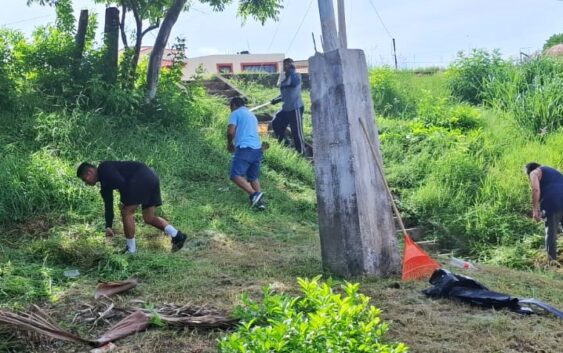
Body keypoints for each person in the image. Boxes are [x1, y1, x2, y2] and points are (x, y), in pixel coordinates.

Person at [77, 161, 187, 253]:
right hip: (151, 177)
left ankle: (131, 251)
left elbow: (122, 183)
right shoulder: (105, 184)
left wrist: (124, 202)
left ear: (90, 172)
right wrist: (108, 226)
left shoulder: (104, 168)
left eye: (84, 179)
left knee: (126, 212)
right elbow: (108, 205)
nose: (86, 183)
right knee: (149, 218)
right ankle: (177, 235)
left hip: (142, 178)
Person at [227, 97, 266, 210]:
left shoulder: (236, 112)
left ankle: (254, 195)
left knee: (235, 175)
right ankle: (260, 203)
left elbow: (230, 131)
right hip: (257, 149)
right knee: (253, 177)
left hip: (245, 148)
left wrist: (229, 143)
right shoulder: (251, 115)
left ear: (233, 105)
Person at [525, 162, 563, 261]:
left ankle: (552, 262)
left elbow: (536, 190)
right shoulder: (552, 171)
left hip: (553, 201)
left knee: (550, 232)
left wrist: (535, 210)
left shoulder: (534, 173)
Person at [271, 58, 306, 155]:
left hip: (295, 108)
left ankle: (301, 153)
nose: (285, 66)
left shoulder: (295, 76)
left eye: (287, 64)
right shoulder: (285, 77)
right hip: (286, 108)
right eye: (284, 64)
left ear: (291, 65)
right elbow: (285, 94)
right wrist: (276, 99)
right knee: (276, 123)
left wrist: (291, 70)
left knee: (297, 132)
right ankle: (285, 143)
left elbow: (293, 83)